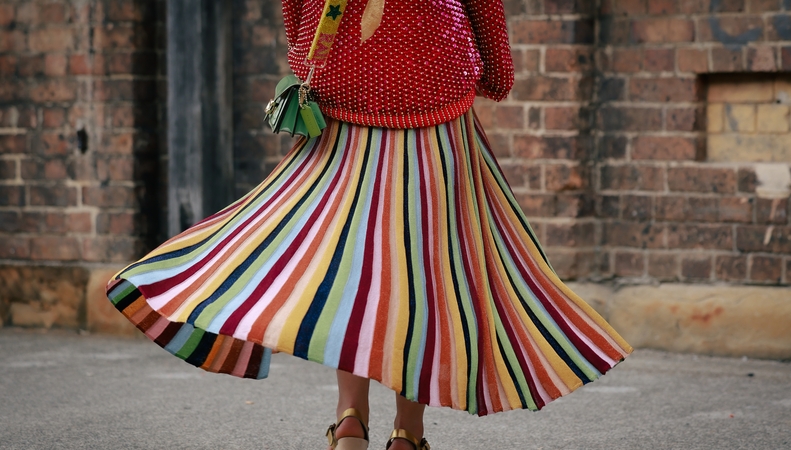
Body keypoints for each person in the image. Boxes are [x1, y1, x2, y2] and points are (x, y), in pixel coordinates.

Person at [106, 0, 633, 449]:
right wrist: (495, 71)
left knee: (350, 271)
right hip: (434, 94)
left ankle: (349, 420)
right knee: (426, 271)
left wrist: (304, 57)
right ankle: (408, 432)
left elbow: (298, 9)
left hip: (345, 94)